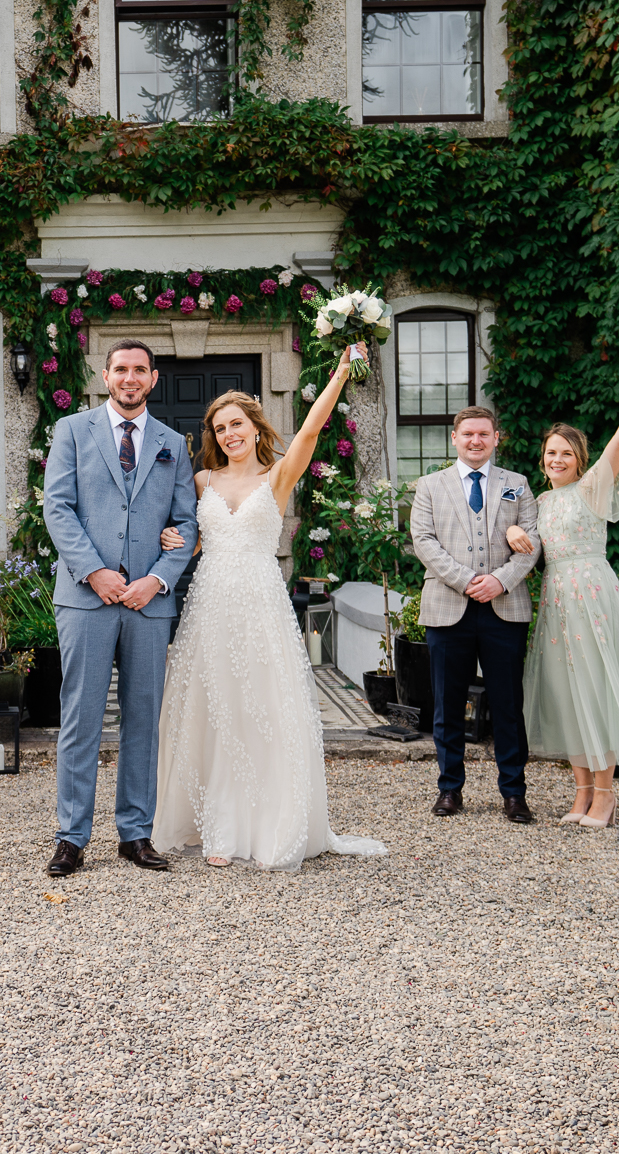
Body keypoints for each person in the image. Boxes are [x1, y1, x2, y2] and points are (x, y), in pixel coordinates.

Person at [150, 347, 388, 870]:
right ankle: (221, 827)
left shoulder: (277, 476)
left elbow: (308, 432)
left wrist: (342, 372)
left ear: (256, 427)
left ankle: (266, 824)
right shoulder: (202, 483)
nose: (228, 434)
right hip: (209, 605)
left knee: (261, 709)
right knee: (215, 712)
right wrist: (173, 537)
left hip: (260, 604)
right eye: (219, 429)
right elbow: (190, 542)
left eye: (236, 424)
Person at [40, 339, 198, 879]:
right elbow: (57, 507)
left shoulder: (174, 443)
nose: (130, 378)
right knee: (80, 718)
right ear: (105, 376)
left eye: (140, 371)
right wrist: (96, 572)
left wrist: (157, 579)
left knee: (142, 720)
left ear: (153, 379)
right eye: (120, 369)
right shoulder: (72, 431)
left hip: (148, 604)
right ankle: (71, 837)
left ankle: (135, 833)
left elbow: (186, 521)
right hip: (86, 597)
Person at [507, 366, 619, 828]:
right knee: (567, 694)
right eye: (550, 453)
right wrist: (515, 527)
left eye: (565, 454)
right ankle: (579, 795)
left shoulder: (593, 489)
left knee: (596, 690)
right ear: (543, 459)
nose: (557, 460)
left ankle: (605, 795)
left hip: (592, 594)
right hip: (556, 600)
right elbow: (526, 543)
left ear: (579, 460)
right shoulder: (539, 501)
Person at [408, 405, 542, 823]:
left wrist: (500, 581)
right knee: (447, 706)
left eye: (483, 434)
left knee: (507, 704)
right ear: (454, 438)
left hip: (505, 607)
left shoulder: (517, 485)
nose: (475, 441)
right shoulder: (430, 486)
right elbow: (424, 541)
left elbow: (534, 540)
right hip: (448, 607)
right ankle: (450, 790)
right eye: (467, 434)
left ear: (496, 438)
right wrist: (467, 580)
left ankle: (514, 794)